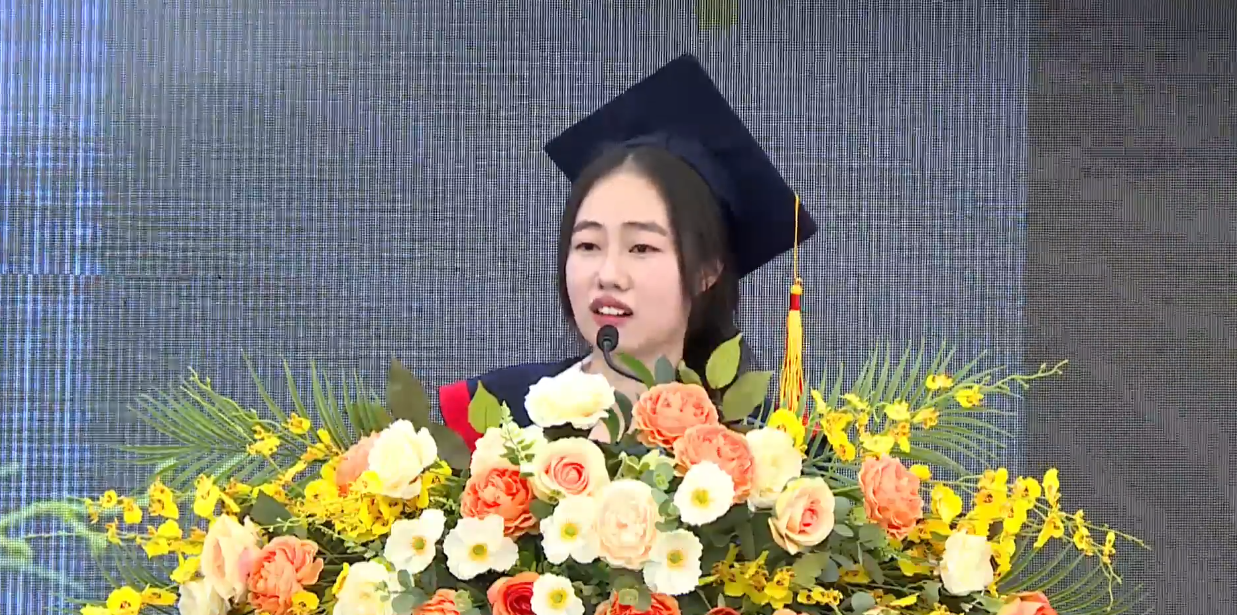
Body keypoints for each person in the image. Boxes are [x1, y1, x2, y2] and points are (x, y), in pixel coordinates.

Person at [438, 54, 817, 450]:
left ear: (707, 270)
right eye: (587, 245)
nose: (608, 274)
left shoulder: (763, 450)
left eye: (641, 247)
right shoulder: (495, 419)